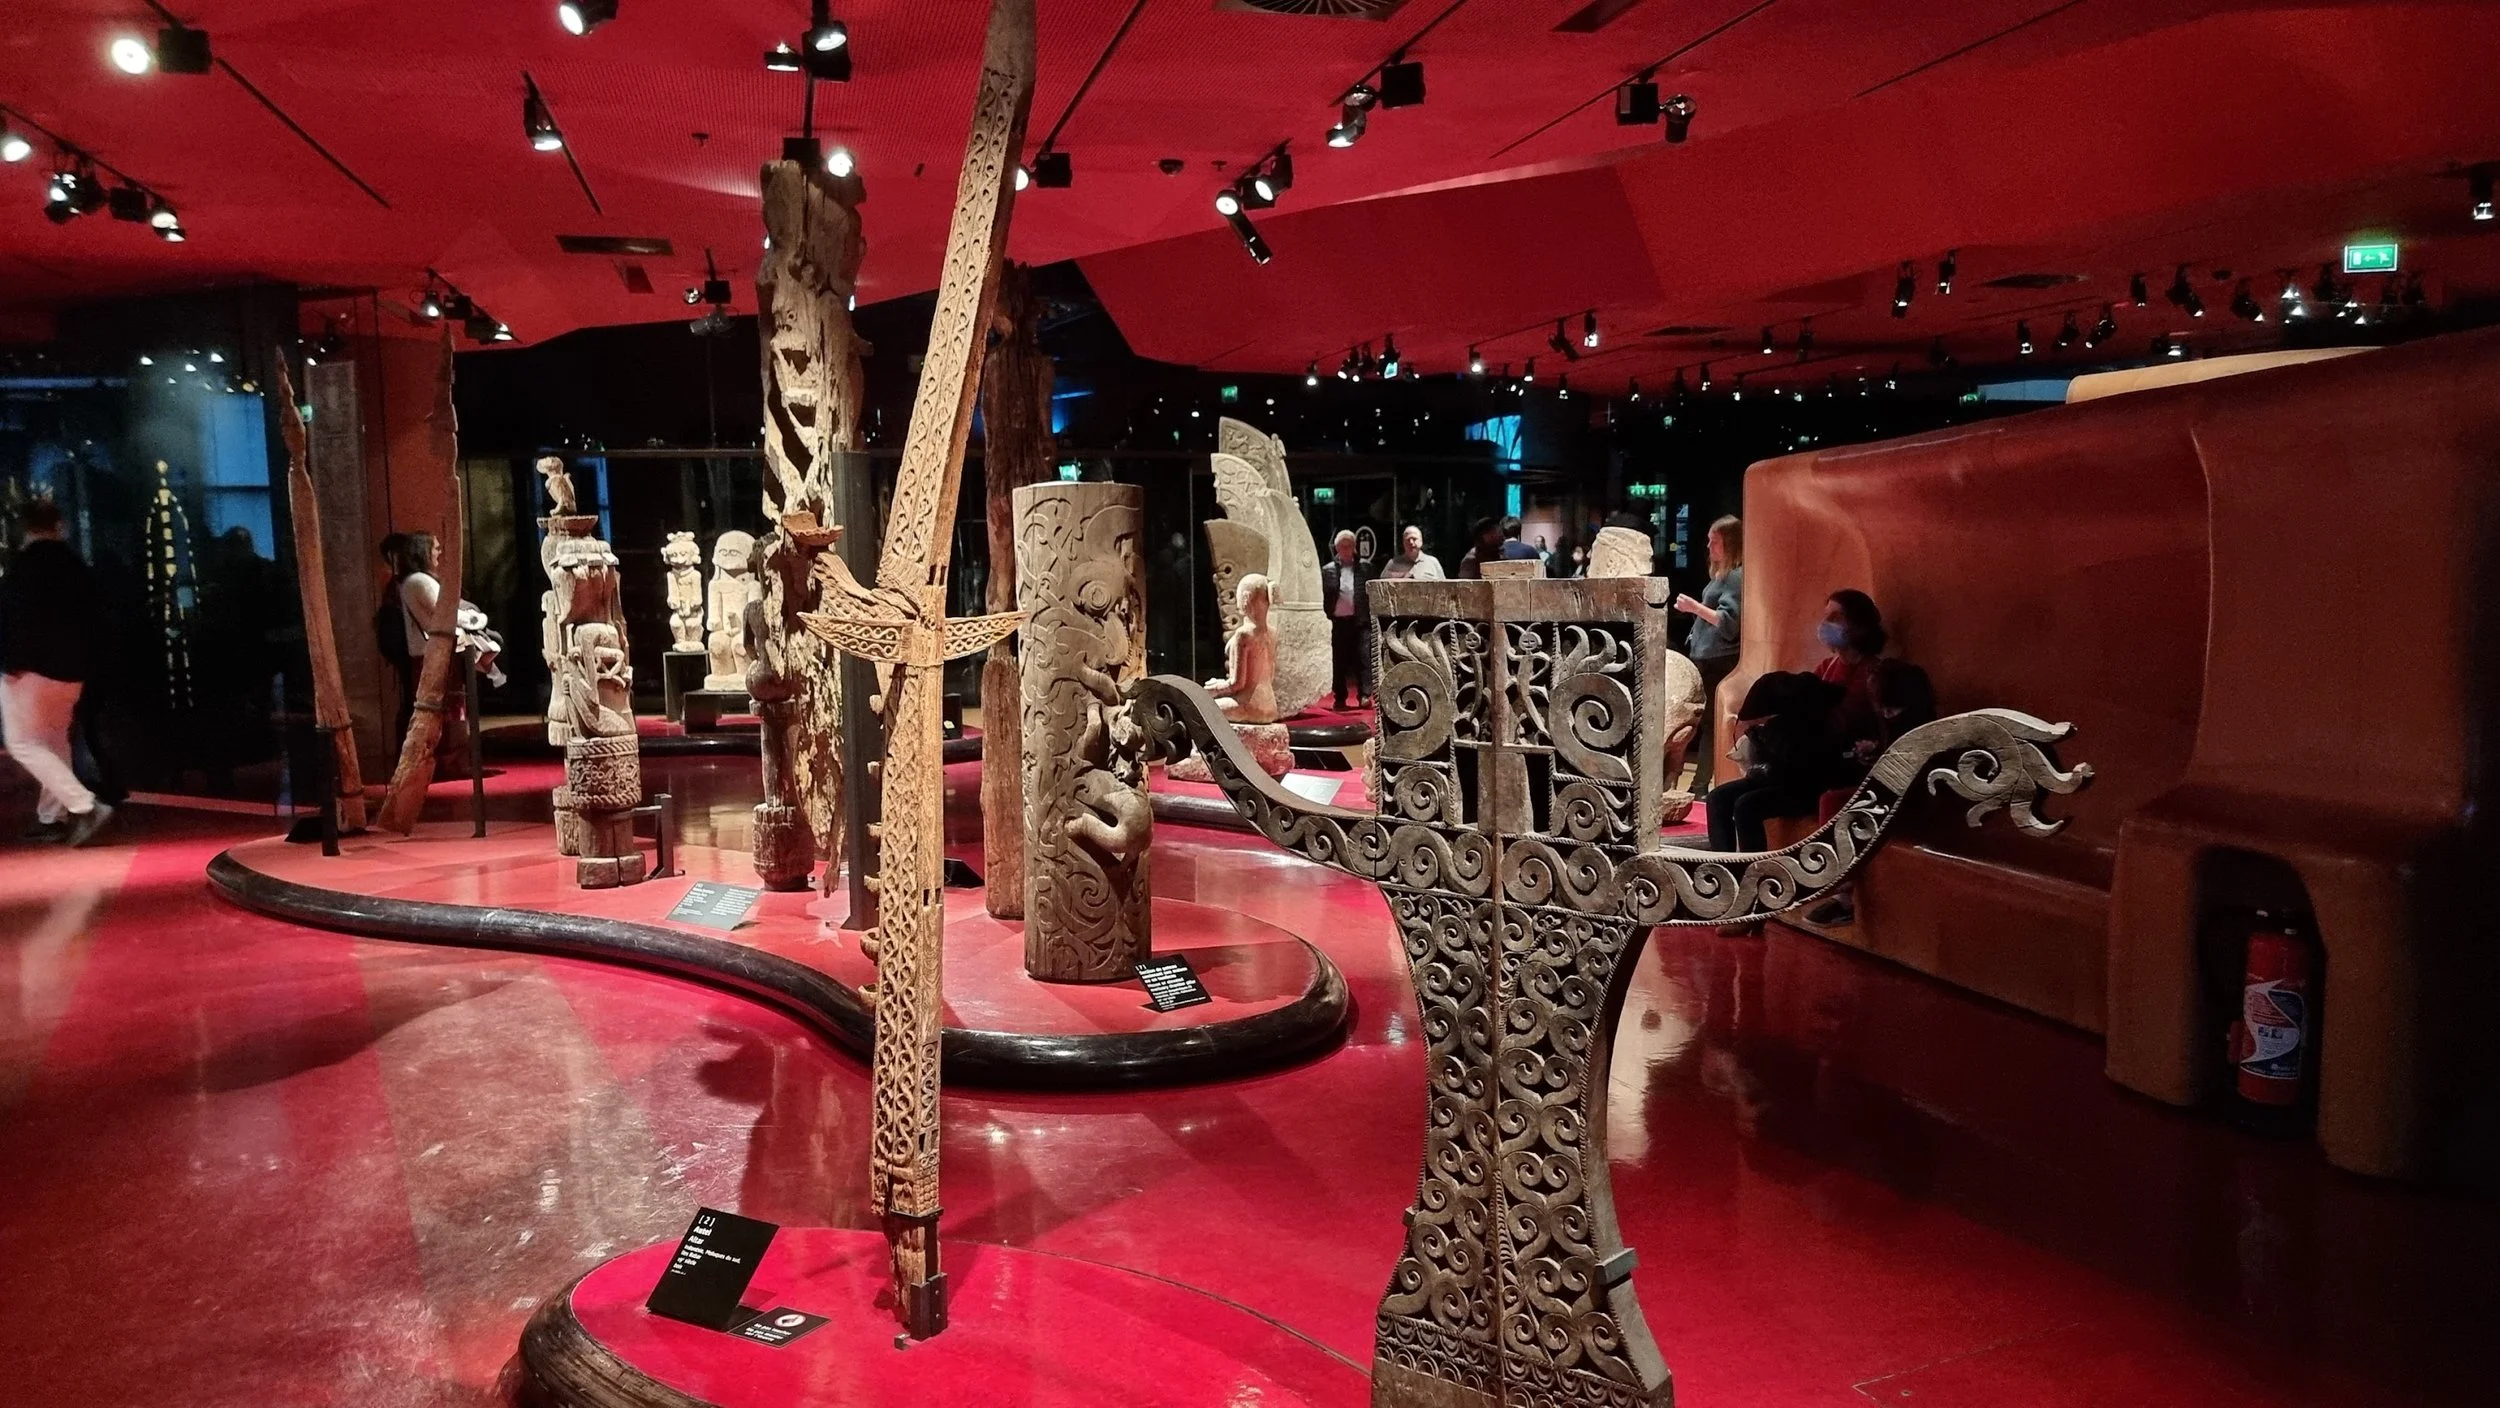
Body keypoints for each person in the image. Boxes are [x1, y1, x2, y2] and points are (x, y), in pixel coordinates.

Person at [0, 499, 113, 846]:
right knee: (53, 741)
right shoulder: (75, 565)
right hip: (73, 671)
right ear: (59, 524)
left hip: (32, 668)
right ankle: (53, 815)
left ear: (23, 528)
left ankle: (83, 805)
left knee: (23, 743)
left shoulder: (23, 568)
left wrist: (10, 663)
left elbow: (14, 620)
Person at [1671, 515, 1742, 795]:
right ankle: (1697, 783)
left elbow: (1728, 623)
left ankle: (1700, 784)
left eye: (1715, 542)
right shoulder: (1722, 576)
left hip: (1719, 659)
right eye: (1709, 541)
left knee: (1710, 724)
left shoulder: (1736, 577)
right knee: (1703, 723)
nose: (1710, 547)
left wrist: (1695, 608)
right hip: (1706, 655)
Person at [1319, 529, 1372, 710]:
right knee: (1338, 662)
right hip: (1338, 623)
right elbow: (1323, 596)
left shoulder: (1366, 567)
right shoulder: (1327, 570)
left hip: (1360, 622)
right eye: (1343, 545)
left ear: (1355, 547)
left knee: (1364, 660)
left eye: (1349, 545)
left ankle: (1365, 695)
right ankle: (1340, 697)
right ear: (1336, 548)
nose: (1346, 548)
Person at [1378, 525, 1445, 581]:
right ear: (1403, 543)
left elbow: (1444, 588)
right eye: (1408, 540)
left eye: (1414, 539)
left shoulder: (1433, 562)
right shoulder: (1392, 564)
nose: (1411, 542)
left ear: (1421, 541)